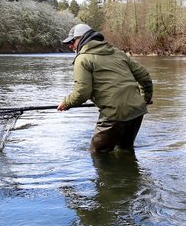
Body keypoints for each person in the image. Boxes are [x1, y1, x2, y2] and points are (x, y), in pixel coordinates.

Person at [57, 23, 153, 153]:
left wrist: (66, 103)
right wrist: (145, 98)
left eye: (72, 41)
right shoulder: (118, 53)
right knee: (125, 150)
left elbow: (82, 93)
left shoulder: (82, 59)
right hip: (137, 111)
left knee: (97, 154)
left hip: (114, 115)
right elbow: (144, 76)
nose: (70, 45)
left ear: (83, 39)